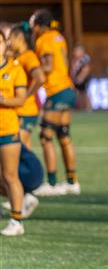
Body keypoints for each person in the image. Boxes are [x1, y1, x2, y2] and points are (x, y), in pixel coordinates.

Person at [29, 9, 79, 196]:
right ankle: (72, 182)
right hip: (67, 88)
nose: (31, 28)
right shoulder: (58, 36)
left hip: (56, 91)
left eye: (33, 23)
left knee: (45, 137)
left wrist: (31, 69)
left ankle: (50, 183)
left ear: (40, 25)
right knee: (64, 136)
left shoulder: (44, 40)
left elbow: (48, 66)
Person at [0, 30, 27, 236]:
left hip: (7, 130)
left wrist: (3, 100)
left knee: (10, 175)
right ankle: (21, 202)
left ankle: (17, 220)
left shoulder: (15, 69)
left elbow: (20, 99)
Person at [8, 22, 46, 149]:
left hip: (26, 111)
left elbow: (40, 78)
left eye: (10, 38)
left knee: (16, 150)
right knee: (24, 152)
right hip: (18, 111)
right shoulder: (17, 57)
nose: (9, 42)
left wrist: (26, 96)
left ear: (19, 37)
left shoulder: (28, 57)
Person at [2, 143, 44, 219]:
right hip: (34, 172)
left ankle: (16, 220)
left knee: (7, 174)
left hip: (27, 173)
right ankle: (24, 198)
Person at [70, 44, 92, 112]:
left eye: (77, 51)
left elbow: (86, 69)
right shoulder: (74, 60)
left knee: (84, 93)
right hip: (76, 78)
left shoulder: (84, 59)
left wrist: (80, 77)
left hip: (83, 79)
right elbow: (73, 70)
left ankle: (88, 108)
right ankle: (77, 107)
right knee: (76, 93)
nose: (75, 52)